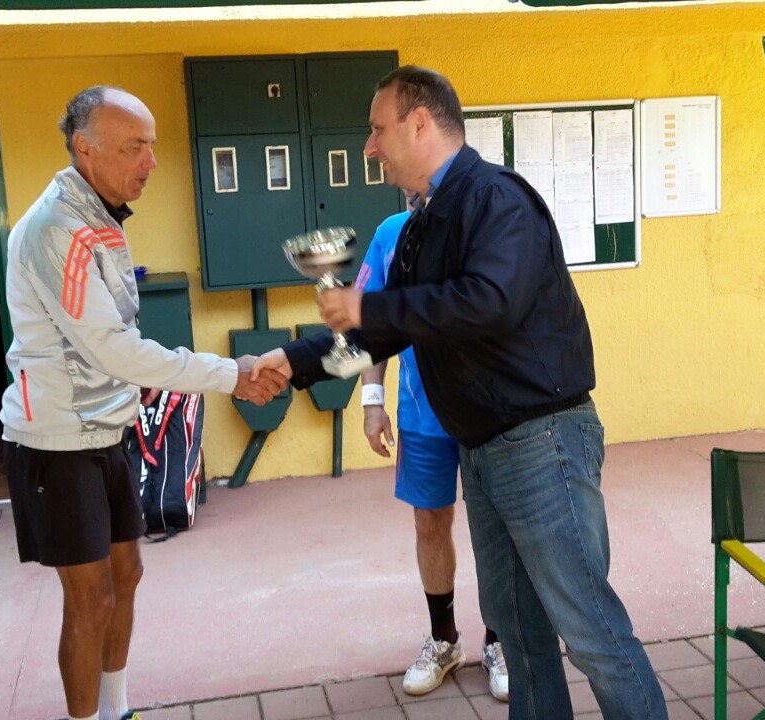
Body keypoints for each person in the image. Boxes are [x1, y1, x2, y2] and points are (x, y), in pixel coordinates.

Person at [254, 66, 666, 720]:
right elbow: (390, 327)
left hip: (542, 445)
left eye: (377, 129)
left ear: (419, 123)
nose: (369, 147)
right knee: (519, 632)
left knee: (592, 631)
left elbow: (488, 302)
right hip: (482, 449)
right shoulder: (423, 222)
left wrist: (367, 308)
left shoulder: (495, 198)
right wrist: (291, 361)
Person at [0, 86, 286, 720]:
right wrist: (231, 373)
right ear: (85, 148)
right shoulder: (56, 229)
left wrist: (156, 380)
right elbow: (114, 349)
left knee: (125, 576)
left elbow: (114, 337)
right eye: (135, 147)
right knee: (91, 597)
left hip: (105, 430)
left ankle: (116, 710)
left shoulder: (101, 217)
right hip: (56, 441)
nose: (151, 162)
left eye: (151, 146)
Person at [355, 211, 507, 701]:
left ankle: (501, 640)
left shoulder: (481, 223)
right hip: (422, 414)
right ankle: (445, 640)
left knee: (498, 527)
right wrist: (373, 401)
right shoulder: (388, 235)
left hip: (487, 410)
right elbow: (370, 323)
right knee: (429, 523)